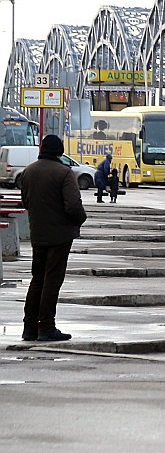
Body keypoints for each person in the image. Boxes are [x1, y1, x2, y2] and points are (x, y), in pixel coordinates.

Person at [20, 135, 88, 342]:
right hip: (60, 235)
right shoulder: (64, 173)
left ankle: (29, 327)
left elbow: (26, 201)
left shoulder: (28, 171)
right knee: (52, 280)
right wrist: (80, 220)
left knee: (37, 279)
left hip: (38, 233)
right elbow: (73, 206)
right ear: (59, 151)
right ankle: (46, 326)